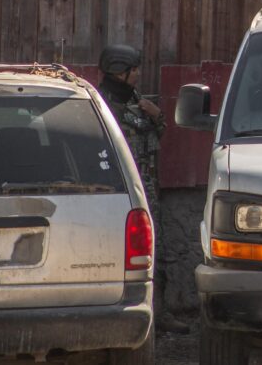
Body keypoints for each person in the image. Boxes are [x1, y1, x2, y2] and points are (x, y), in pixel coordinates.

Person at [97, 44, 190, 335]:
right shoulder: (103, 105)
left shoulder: (136, 99)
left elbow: (154, 137)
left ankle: (158, 314)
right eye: (133, 69)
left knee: (155, 251)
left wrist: (157, 115)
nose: (138, 74)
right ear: (118, 72)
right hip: (120, 193)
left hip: (148, 189)